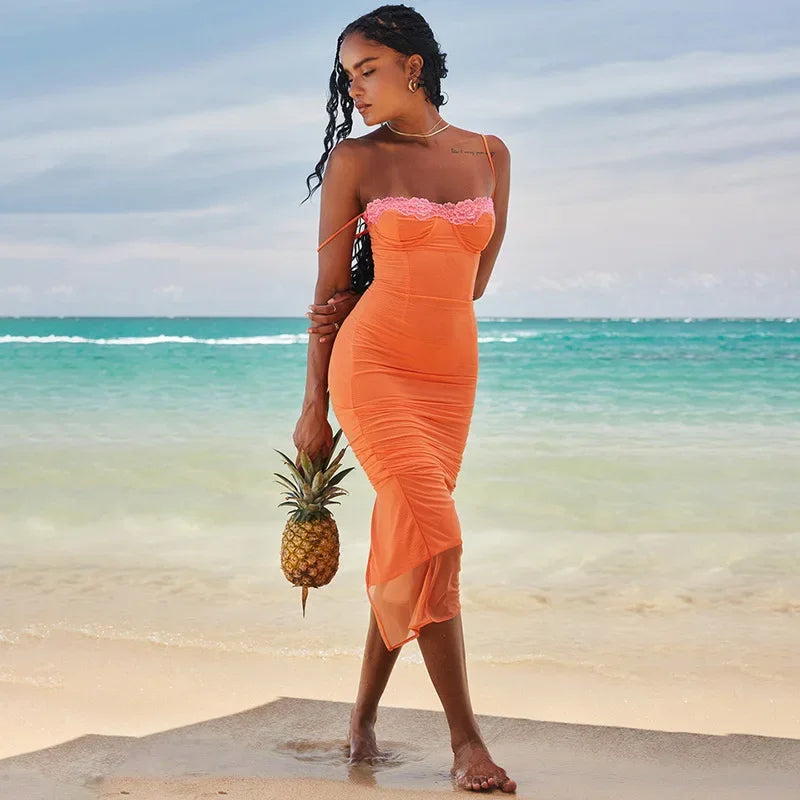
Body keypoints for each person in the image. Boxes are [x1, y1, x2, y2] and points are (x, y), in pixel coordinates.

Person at [293, 5, 515, 794]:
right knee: (438, 537)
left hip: (451, 377)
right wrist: (314, 405)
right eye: (347, 77)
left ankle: (361, 722)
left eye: (368, 70)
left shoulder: (491, 154)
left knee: (411, 545)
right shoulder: (357, 160)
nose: (354, 89)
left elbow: (475, 281)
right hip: (374, 365)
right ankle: (466, 742)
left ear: (413, 65)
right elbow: (327, 294)